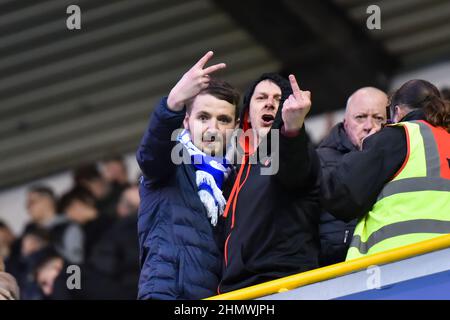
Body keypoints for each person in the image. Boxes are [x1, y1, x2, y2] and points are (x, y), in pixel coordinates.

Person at [136, 51, 240, 299]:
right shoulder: (170, 162)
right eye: (203, 117)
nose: (212, 129)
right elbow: (150, 156)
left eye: (223, 119)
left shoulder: (235, 179)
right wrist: (172, 102)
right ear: (186, 121)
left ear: (235, 127)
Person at [321, 79, 450, 260]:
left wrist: (366, 150)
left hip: (398, 263)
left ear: (396, 112)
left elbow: (341, 195)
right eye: (360, 117)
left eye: (381, 118)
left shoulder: (397, 136)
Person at [218, 73, 321, 294]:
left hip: (281, 285)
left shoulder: (297, 151)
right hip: (237, 291)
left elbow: (294, 171)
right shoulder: (236, 174)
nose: (269, 102)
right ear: (247, 114)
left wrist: (292, 129)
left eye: (278, 99)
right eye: (261, 97)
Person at [317, 87, 388, 266]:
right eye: (360, 117)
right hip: (333, 265)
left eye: (378, 118)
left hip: (385, 260)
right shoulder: (319, 159)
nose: (369, 126)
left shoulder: (397, 158)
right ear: (345, 122)